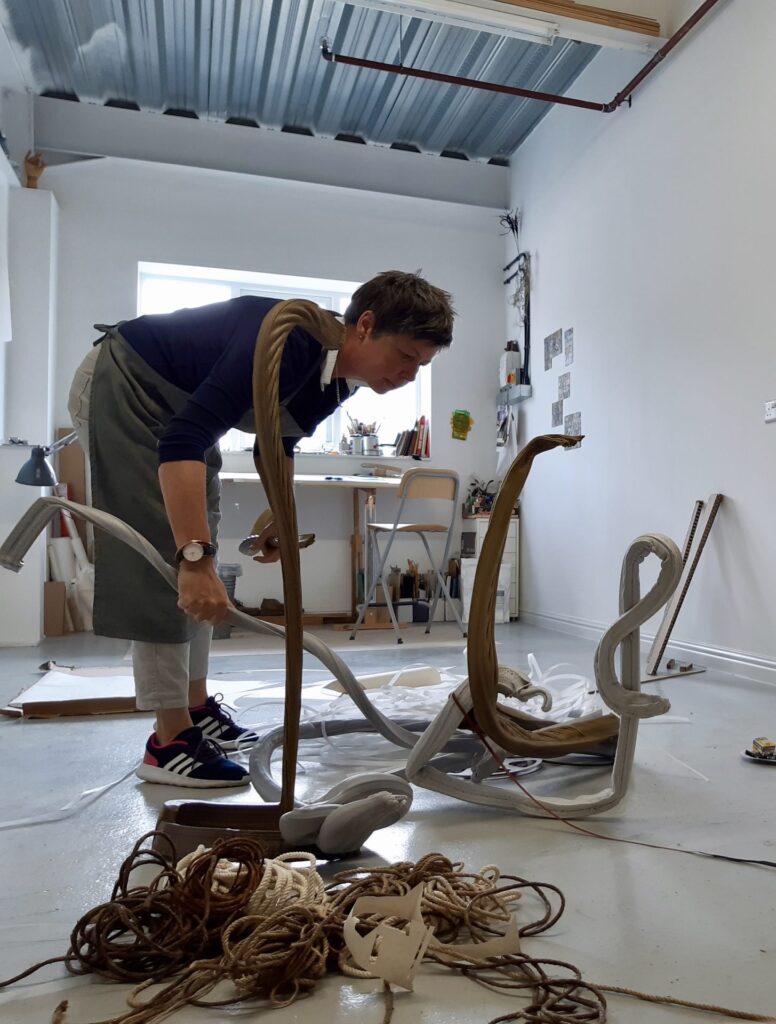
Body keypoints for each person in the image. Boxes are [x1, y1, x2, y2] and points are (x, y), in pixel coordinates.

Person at [67, 271, 455, 787]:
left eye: (421, 366)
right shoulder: (289, 340)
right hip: (125, 382)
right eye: (406, 356)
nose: (409, 375)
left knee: (201, 531)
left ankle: (196, 707)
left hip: (177, 411)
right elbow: (183, 439)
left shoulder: (337, 379)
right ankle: (168, 742)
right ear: (364, 325)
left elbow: (278, 444)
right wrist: (194, 558)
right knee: (167, 560)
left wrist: (278, 519)